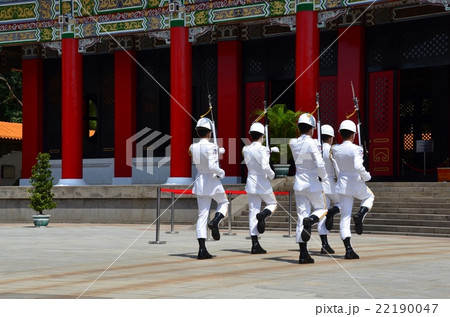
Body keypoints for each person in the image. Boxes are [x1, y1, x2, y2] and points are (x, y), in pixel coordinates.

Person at [332, 120, 375, 259]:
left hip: (342, 183)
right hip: (355, 182)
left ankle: (348, 249)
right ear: (353, 135)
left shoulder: (336, 149)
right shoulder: (357, 149)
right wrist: (366, 176)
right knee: (369, 197)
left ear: (340, 134)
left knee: (345, 217)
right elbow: (357, 166)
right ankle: (361, 213)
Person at [289, 113, 328, 264]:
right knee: (322, 209)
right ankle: (311, 221)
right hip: (313, 183)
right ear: (312, 129)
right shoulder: (312, 143)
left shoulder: (293, 143)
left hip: (299, 183)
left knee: (301, 216)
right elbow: (320, 163)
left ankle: (303, 254)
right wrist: (324, 177)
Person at [189, 117, 229, 260]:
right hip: (211, 180)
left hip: (200, 181)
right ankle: (216, 221)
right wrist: (221, 172)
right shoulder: (211, 146)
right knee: (224, 203)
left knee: (202, 215)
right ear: (209, 133)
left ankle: (201, 249)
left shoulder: (193, 147)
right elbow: (212, 166)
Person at [242, 122, 278, 254]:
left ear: (251, 135)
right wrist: (272, 175)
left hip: (251, 182)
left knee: (253, 211)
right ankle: (263, 215)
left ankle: (254, 244)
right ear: (262, 136)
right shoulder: (263, 149)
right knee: (272, 203)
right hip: (263, 182)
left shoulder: (245, 149)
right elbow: (264, 166)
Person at [317, 124, 341, 254]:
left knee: (321, 213)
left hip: (319, 184)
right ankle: (332, 212)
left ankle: (324, 244)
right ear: (331, 137)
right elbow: (337, 168)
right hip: (331, 182)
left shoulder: (316, 150)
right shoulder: (332, 150)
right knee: (342, 203)